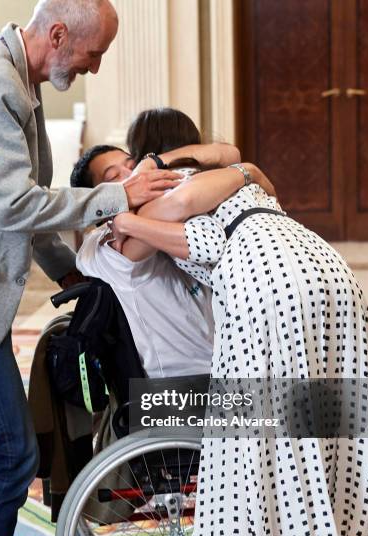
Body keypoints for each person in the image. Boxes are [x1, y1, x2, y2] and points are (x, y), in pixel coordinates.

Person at [106, 108, 368, 536]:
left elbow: (148, 247)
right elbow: (235, 159)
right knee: (334, 439)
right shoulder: (229, 176)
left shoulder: (169, 192)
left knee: (263, 470)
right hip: (328, 272)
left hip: (269, 288)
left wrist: (117, 212)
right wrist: (239, 171)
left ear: (147, 152)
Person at [0, 2, 181, 536]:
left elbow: (24, 207)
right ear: (58, 34)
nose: (93, 67)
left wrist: (68, 276)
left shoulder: (18, 79)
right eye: (93, 54)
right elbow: (14, 206)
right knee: (11, 460)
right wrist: (118, 196)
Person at [71, 136, 274, 378]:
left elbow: (228, 153)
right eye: (114, 176)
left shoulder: (141, 219)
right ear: (96, 199)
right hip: (175, 389)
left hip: (226, 369)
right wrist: (247, 172)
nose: (135, 176)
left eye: (131, 164)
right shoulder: (105, 243)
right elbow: (204, 236)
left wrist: (152, 162)